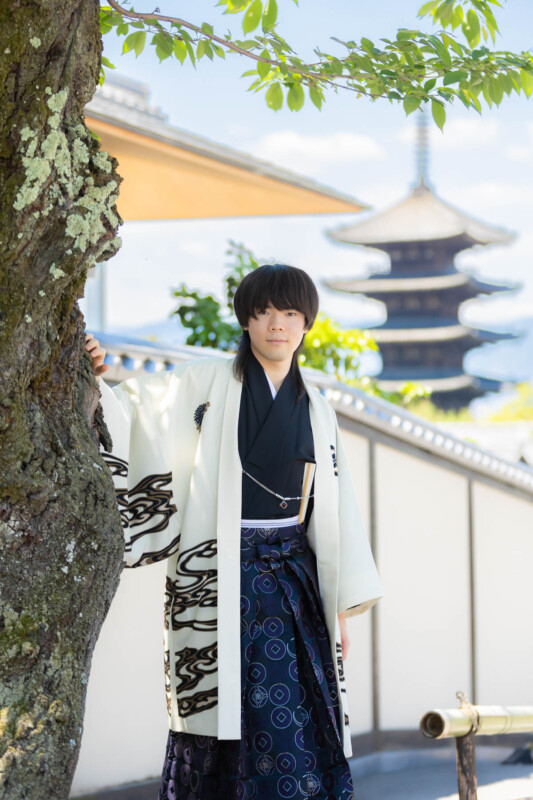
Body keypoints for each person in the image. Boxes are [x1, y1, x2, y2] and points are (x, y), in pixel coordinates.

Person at [86, 263, 383, 800]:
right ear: (246, 320)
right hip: (217, 571)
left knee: (294, 708)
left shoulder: (318, 409)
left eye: (290, 313)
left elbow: (332, 514)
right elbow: (132, 413)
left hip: (293, 581)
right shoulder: (202, 383)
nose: (277, 324)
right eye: (264, 312)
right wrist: (91, 378)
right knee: (217, 709)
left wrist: (337, 611)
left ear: (306, 323)